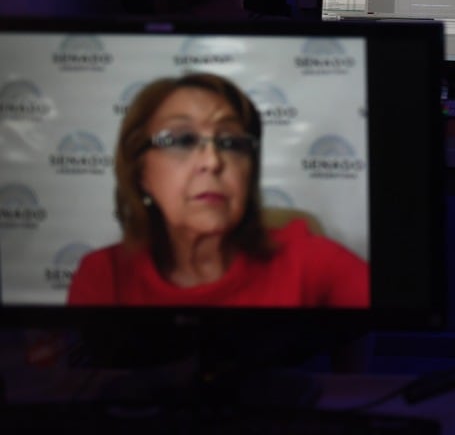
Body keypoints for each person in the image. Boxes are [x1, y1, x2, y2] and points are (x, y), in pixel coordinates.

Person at [67, 73, 369, 307]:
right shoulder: (104, 276)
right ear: (141, 173)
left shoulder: (306, 260)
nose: (212, 162)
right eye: (182, 141)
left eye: (232, 142)